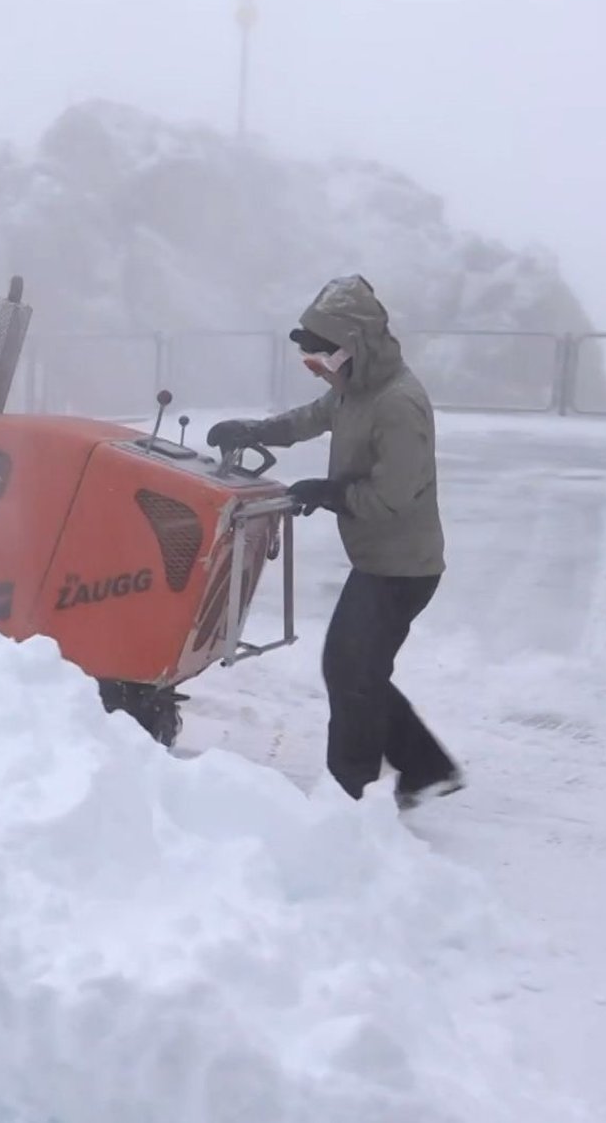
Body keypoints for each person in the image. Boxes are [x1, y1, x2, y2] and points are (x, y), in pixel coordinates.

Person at [206, 275, 463, 811]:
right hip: (379, 559)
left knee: (351, 673)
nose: (319, 369)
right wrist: (254, 431)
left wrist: (331, 494)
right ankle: (426, 768)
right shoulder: (355, 390)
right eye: (311, 362)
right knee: (356, 669)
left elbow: (394, 496)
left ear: (355, 348)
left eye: (322, 359)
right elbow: (309, 419)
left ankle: (352, 796)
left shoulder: (398, 404)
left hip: (403, 568)